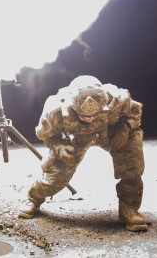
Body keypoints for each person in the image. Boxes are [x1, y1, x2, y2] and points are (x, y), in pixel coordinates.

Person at [19, 75, 148, 232]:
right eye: (84, 116)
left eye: (94, 115)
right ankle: (34, 197)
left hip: (110, 132)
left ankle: (130, 209)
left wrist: (125, 127)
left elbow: (134, 113)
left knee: (132, 162)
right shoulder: (55, 109)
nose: (90, 119)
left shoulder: (117, 99)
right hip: (75, 138)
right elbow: (45, 135)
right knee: (55, 177)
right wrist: (59, 147)